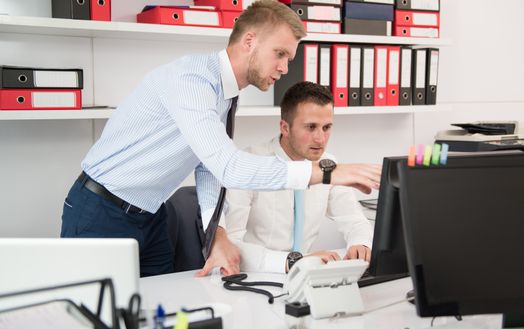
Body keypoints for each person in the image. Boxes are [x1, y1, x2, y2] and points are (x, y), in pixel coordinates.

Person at [61, 0, 381, 277]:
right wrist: (326, 173)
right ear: (249, 41)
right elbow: (230, 168)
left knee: (155, 315)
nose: (284, 68)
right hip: (102, 210)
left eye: (289, 58)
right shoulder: (194, 82)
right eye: (279, 54)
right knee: (95, 320)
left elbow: (209, 168)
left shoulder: (226, 94)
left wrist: (219, 235)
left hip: (150, 214)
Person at [225, 81, 373, 273]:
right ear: (285, 128)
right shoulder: (249, 164)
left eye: (326, 127)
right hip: (255, 276)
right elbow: (230, 244)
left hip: (306, 277)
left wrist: (360, 244)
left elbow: (354, 220)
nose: (320, 139)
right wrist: (293, 262)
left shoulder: (328, 165)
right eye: (311, 127)